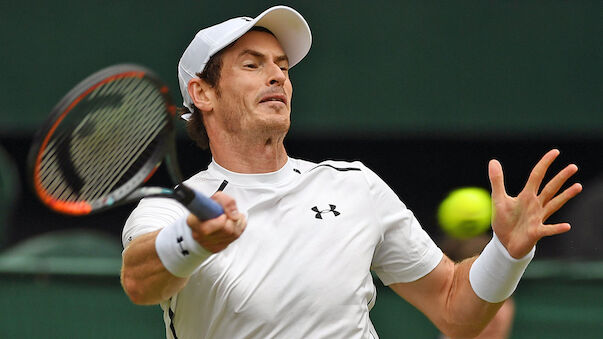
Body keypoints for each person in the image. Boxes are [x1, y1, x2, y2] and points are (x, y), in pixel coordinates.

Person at [120, 6, 582, 339]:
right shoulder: (166, 209)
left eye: (283, 66)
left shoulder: (353, 184)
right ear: (202, 93)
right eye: (252, 64)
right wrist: (194, 240)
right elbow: (139, 281)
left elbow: (455, 310)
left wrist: (506, 253)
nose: (278, 76)